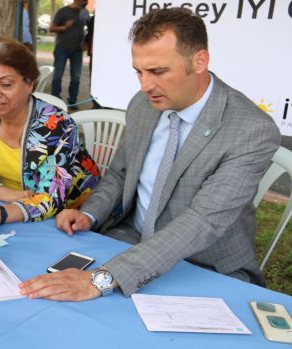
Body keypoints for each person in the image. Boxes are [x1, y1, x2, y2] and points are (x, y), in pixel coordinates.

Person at [19, 8, 281, 302]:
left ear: (199, 61)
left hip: (202, 263)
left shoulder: (251, 129)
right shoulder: (143, 104)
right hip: (127, 240)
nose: (145, 86)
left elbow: (202, 221)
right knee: (37, 285)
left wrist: (102, 279)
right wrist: (90, 214)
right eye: (139, 72)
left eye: (158, 71)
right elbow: (120, 173)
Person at [0, 37, 100, 229]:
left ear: (30, 83)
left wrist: (2, 213)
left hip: (70, 220)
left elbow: (51, 198)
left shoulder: (56, 127)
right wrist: (2, 192)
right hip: (7, 206)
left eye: (6, 84)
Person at [49, 0, 89, 111]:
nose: (86, 2)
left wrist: (86, 41)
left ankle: (72, 100)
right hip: (62, 48)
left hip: (77, 50)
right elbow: (51, 28)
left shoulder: (84, 12)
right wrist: (64, 27)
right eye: (84, 0)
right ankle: (55, 100)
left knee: (76, 77)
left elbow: (89, 28)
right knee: (57, 76)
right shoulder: (63, 11)